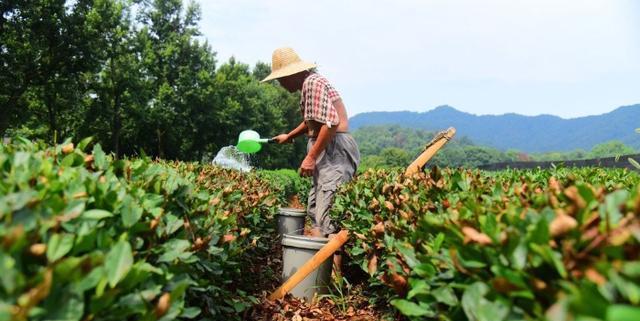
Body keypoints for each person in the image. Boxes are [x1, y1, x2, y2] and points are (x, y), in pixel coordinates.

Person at [262, 47, 360, 238]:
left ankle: (332, 268)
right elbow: (313, 121)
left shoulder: (312, 83)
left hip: (334, 149)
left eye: (281, 79)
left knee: (329, 215)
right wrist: (289, 136)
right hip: (328, 150)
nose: (281, 84)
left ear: (293, 74)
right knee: (316, 211)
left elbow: (331, 123)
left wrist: (311, 157)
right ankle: (317, 265)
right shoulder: (310, 83)